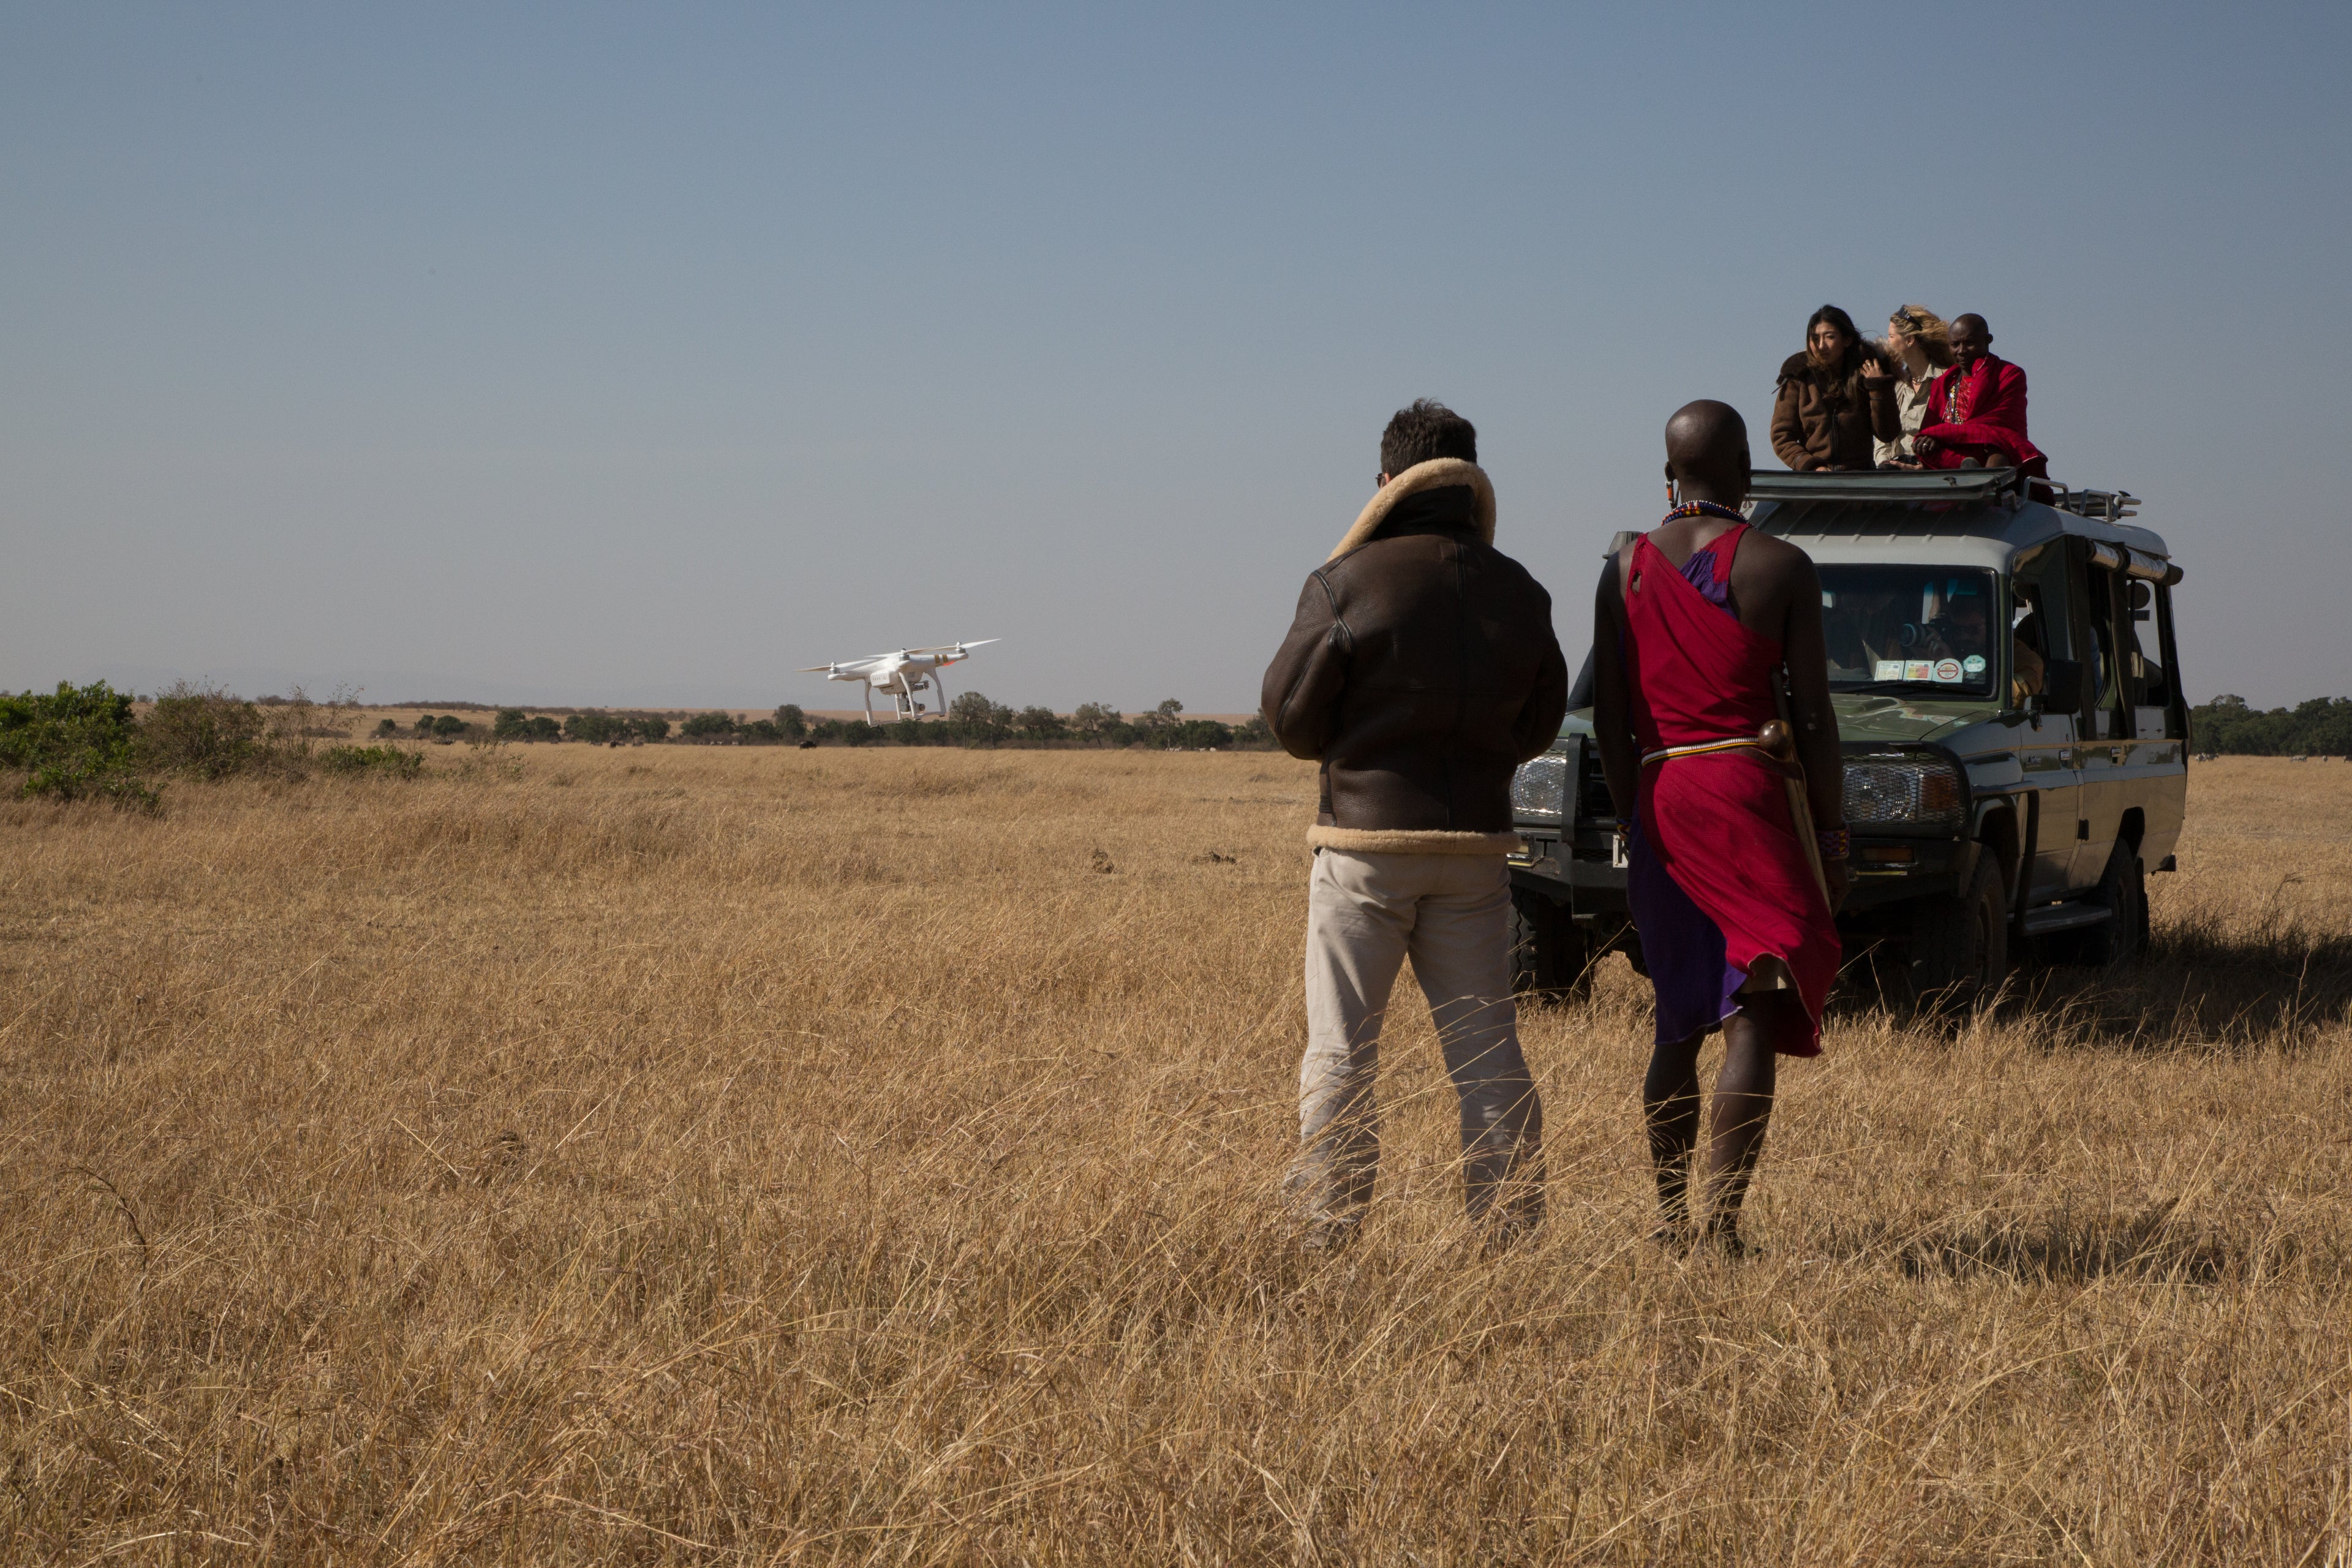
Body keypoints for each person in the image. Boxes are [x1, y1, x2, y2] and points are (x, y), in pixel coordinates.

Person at [1261, 399, 1569, 1250]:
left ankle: (1327, 1235)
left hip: (1363, 850)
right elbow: (1539, 723)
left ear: (1387, 482)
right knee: (1487, 1052)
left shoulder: (1345, 580)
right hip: (1474, 851)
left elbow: (1289, 719)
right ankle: (1510, 1238)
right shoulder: (1523, 589)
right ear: (1471, 478)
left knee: (1342, 1053)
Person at [1591, 401, 1847, 1256]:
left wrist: (1639, 814)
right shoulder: (1782, 565)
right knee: (1751, 1010)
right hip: (1747, 795)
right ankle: (1722, 1229)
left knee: (1677, 1016)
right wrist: (1833, 832)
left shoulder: (1622, 566)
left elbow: (1612, 721)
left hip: (1663, 796)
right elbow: (1813, 721)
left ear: (1670, 475)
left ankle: (1669, 1223)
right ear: (1742, 466)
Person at [1913, 314, 2048, 476]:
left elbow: (2001, 422)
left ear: (1988, 340)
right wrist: (1931, 439)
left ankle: (1983, 486)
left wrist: (1942, 434)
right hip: (1954, 452)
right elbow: (1930, 429)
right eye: (1955, 345)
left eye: (1969, 343)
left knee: (1999, 448)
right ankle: (1970, 473)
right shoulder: (1942, 383)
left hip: (1990, 451)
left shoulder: (2009, 374)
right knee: (1925, 449)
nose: (1961, 351)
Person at [1771, 304, 1899, 471]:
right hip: (1815, 484)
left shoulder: (1866, 373)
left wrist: (1878, 388)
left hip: (1860, 482)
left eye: (1829, 337)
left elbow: (1888, 434)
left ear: (1847, 340)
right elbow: (1781, 437)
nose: (1821, 346)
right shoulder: (1798, 378)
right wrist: (1811, 466)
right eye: (1815, 338)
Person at [1874, 305, 1953, 467]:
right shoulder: (1895, 385)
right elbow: (1883, 440)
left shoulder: (1948, 381)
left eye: (1891, 336)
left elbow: (1953, 436)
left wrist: (1922, 468)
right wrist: (1884, 464)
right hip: (1895, 480)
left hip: (1932, 477)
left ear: (1909, 340)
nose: (1887, 342)